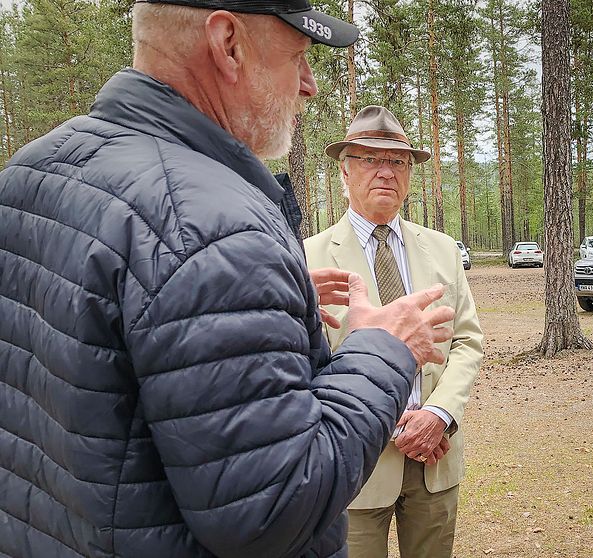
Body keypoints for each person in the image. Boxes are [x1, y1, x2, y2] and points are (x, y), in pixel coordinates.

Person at [0, 2, 454, 557]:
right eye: (298, 57)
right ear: (228, 44)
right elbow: (272, 512)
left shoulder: (28, 172)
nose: (309, 85)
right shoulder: (215, 229)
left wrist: (255, 311)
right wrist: (385, 349)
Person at [304, 106, 484, 558]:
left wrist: (438, 414)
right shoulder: (308, 258)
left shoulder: (442, 250)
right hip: (355, 465)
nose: (385, 171)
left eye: (398, 161)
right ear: (344, 170)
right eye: (369, 159)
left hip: (434, 457)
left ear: (409, 174)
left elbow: (466, 342)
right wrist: (381, 425)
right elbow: (306, 365)